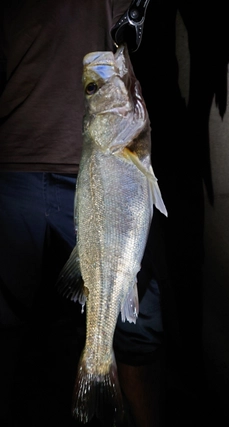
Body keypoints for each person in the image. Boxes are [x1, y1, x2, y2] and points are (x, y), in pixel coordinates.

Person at [0, 1, 166, 426]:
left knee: (139, 333)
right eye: (94, 87)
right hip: (15, 162)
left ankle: (107, 378)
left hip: (97, 163)